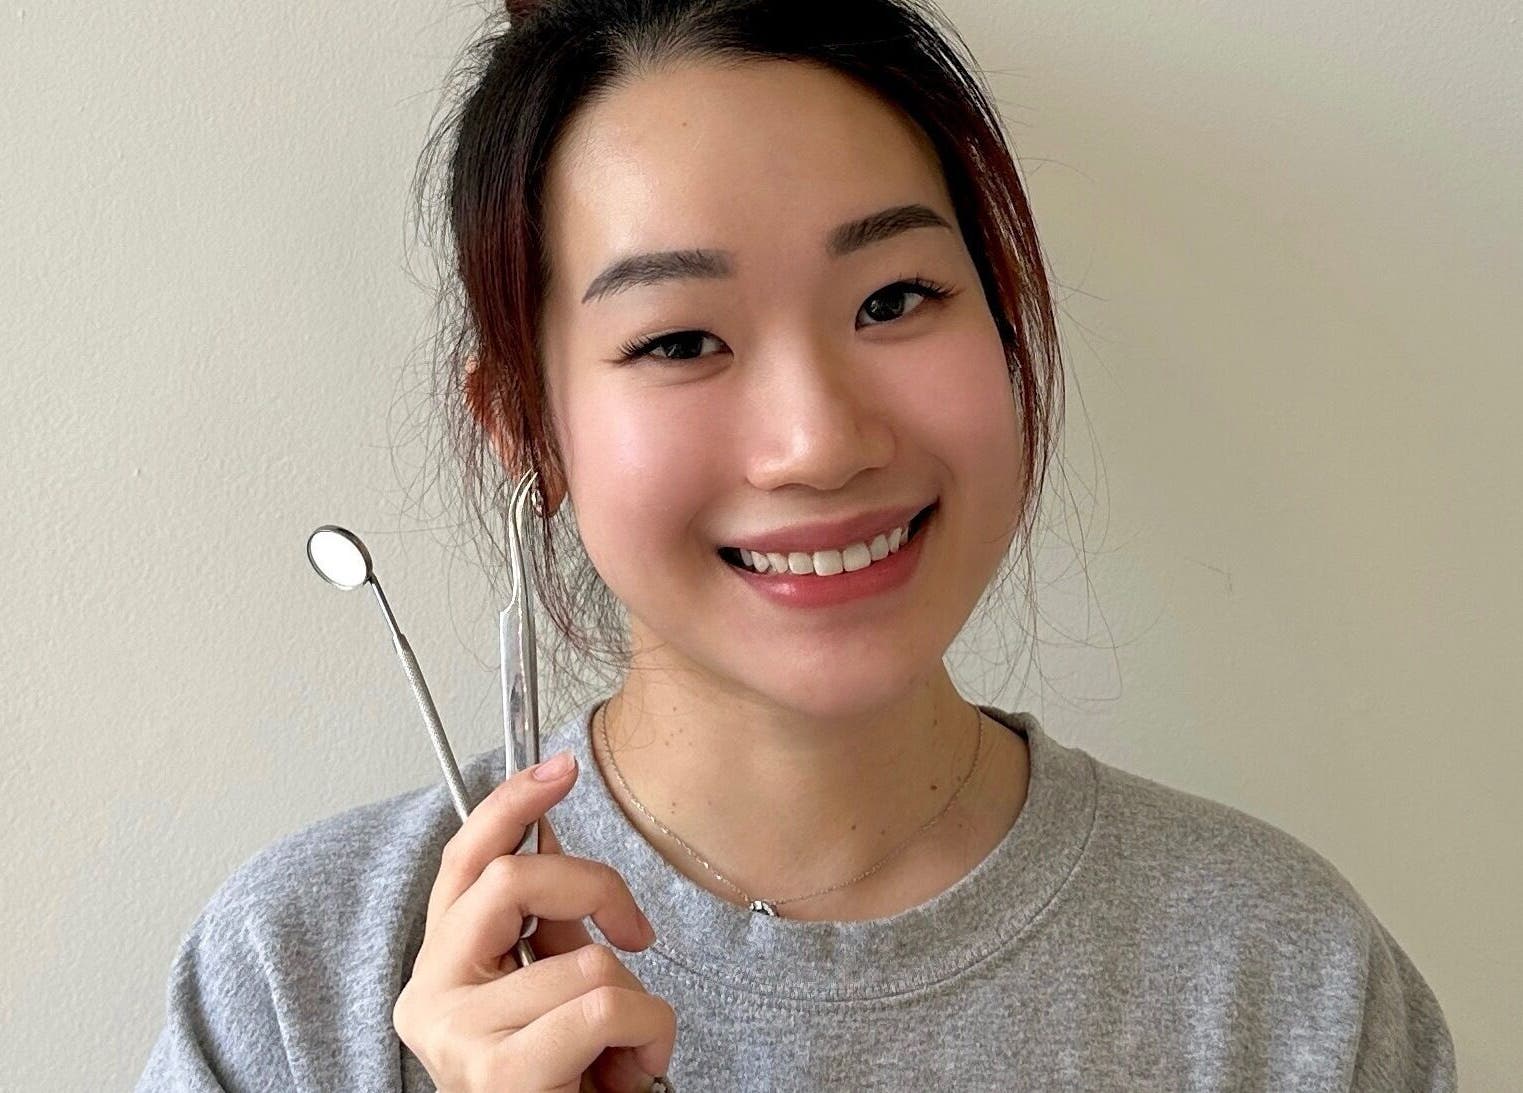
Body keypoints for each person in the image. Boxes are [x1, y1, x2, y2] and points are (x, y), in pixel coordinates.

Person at [136, 0, 1458, 1089]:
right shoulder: (302, 983)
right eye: (678, 340)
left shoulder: (1287, 982)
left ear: (1004, 328)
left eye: (895, 299)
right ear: (528, 426)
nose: (817, 440)